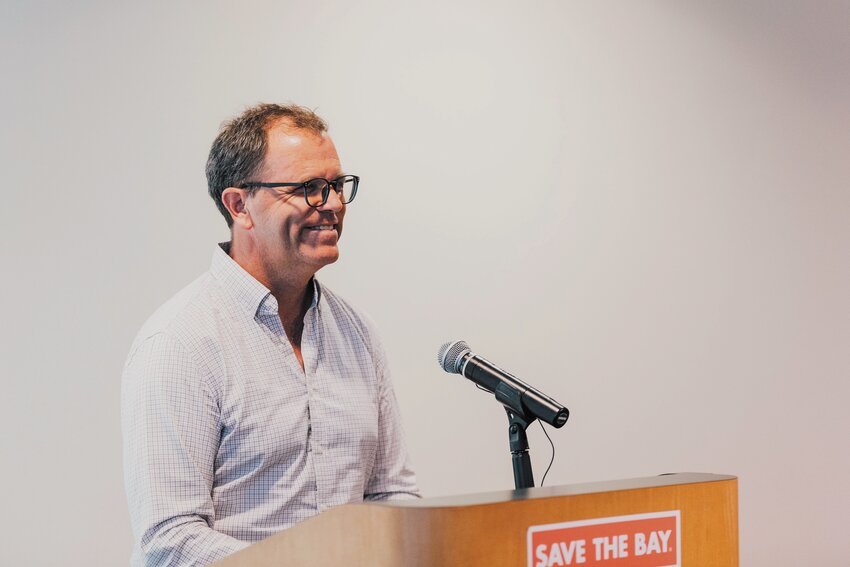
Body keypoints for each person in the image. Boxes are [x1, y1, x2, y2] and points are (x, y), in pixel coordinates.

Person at [121, 103, 419, 566]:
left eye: (337, 186)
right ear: (240, 205)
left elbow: (391, 494)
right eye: (308, 189)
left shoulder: (358, 335)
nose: (334, 205)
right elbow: (170, 542)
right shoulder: (180, 344)